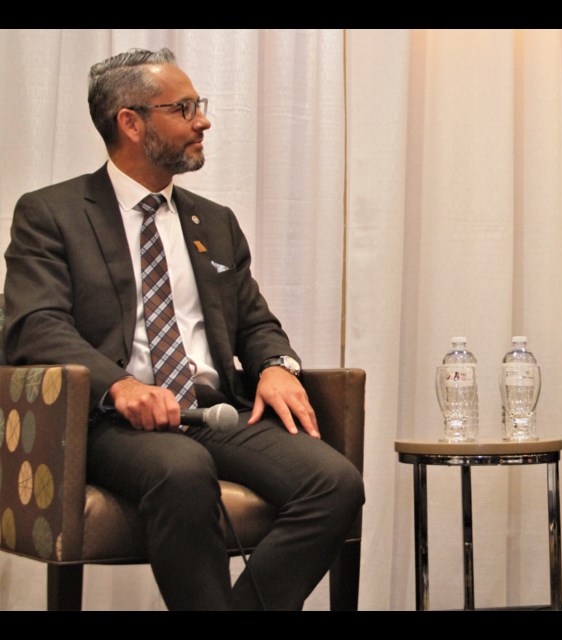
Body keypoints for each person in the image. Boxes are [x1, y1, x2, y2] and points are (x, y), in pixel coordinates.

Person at [3, 48, 365, 610]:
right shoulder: (52, 214)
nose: (204, 121)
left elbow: (256, 321)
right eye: (185, 108)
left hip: (212, 412)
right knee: (182, 470)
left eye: (200, 106)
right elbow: (35, 326)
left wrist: (275, 366)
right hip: (108, 422)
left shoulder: (214, 222)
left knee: (336, 484)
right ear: (131, 121)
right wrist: (121, 385)